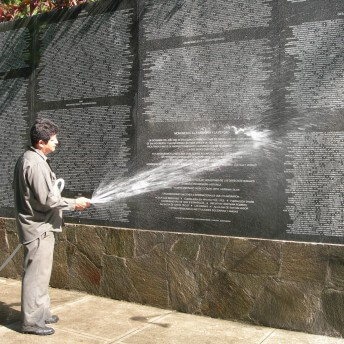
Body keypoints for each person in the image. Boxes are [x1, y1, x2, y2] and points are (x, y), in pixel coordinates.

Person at [12, 118, 91, 336]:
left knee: (42, 274)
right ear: (40, 142)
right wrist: (75, 204)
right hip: (38, 228)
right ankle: (31, 322)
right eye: (53, 139)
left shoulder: (31, 158)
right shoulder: (35, 163)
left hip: (41, 226)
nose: (57, 142)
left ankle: (42, 313)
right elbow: (47, 200)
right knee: (36, 276)